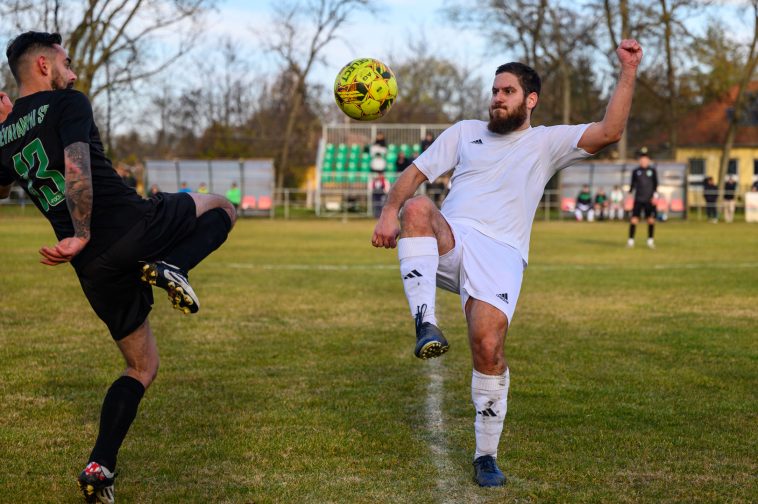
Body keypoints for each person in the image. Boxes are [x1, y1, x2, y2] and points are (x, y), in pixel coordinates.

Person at [371, 39, 643, 487]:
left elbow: (610, 130)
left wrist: (628, 71)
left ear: (529, 100)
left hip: (501, 256)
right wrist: (388, 211)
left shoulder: (546, 142)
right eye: (495, 90)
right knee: (418, 208)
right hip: (452, 242)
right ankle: (425, 324)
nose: (497, 98)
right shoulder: (464, 131)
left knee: (488, 348)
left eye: (508, 91)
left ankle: (485, 456)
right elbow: (416, 173)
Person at [0, 32, 236, 503]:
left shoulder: (5, 137)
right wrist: (84, 229)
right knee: (221, 206)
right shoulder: (68, 102)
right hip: (127, 228)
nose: (73, 71)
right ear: (44, 66)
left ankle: (100, 466)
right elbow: (76, 166)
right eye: (66, 62)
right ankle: (174, 265)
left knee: (141, 365)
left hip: (89, 266)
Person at [627, 147, 658, 248]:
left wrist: (655, 196)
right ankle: (631, 241)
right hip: (638, 199)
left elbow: (655, 185)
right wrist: (629, 195)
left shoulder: (652, 171)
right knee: (634, 220)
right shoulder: (636, 171)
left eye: (645, 159)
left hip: (649, 200)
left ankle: (650, 240)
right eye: (642, 159)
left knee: (650, 220)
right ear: (639, 160)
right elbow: (632, 185)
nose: (643, 161)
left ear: (648, 160)